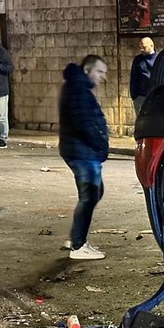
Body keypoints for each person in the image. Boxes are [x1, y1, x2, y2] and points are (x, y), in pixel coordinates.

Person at [59, 55, 109, 260]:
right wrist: (100, 145)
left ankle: (75, 238)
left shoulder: (77, 87)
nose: (102, 77)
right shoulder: (78, 90)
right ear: (87, 70)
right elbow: (84, 123)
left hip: (80, 150)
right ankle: (78, 246)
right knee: (90, 195)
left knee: (94, 193)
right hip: (83, 152)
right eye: (100, 72)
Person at [129, 37, 157, 114]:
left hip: (155, 97)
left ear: (151, 46)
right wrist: (134, 96)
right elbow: (133, 77)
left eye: (144, 47)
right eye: (140, 47)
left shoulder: (158, 59)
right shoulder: (138, 59)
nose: (141, 50)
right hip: (141, 96)